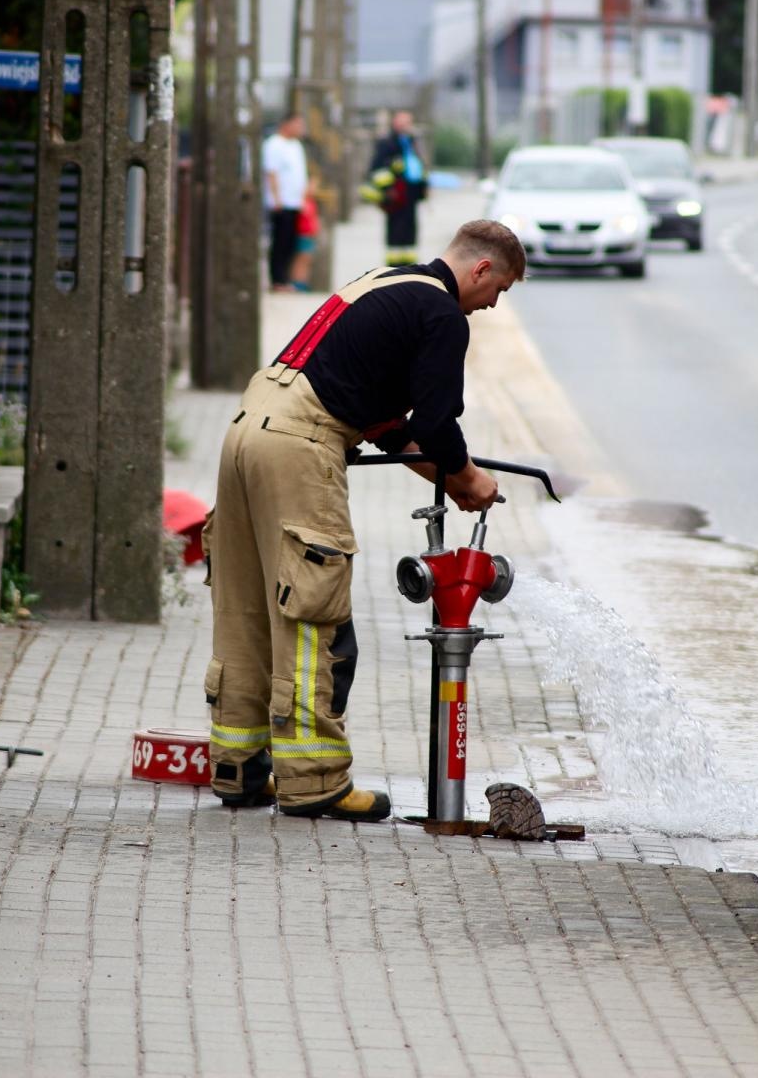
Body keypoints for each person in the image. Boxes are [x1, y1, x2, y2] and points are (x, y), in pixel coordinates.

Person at [202, 219, 526, 823]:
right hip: (301, 447)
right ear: (481, 269)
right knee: (311, 617)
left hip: (246, 433)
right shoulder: (443, 315)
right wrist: (469, 478)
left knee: (244, 608)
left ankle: (238, 771)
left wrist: (451, 479)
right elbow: (433, 425)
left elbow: (389, 428)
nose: (491, 305)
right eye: (499, 290)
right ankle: (315, 782)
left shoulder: (386, 282)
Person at [364, 109, 429, 265]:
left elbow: (418, 166)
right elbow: (377, 169)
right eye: (402, 121)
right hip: (395, 195)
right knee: (396, 230)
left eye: (408, 122)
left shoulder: (411, 141)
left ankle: (409, 265)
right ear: (394, 122)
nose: (406, 125)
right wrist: (388, 189)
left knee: (410, 229)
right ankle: (394, 267)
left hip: (411, 192)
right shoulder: (387, 142)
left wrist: (424, 187)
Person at [262, 112, 308, 289]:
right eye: (297, 124)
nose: (300, 129)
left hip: (295, 202)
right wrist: (276, 198)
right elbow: (271, 172)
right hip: (281, 203)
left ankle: (285, 279)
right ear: (286, 124)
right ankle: (277, 280)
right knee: (279, 243)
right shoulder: (274, 145)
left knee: (290, 243)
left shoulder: (296, 145)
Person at [288, 187, 321, 292]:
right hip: (304, 234)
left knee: (307, 260)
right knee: (301, 259)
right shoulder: (302, 202)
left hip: (310, 235)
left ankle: (302, 282)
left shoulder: (311, 202)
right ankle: (297, 282)